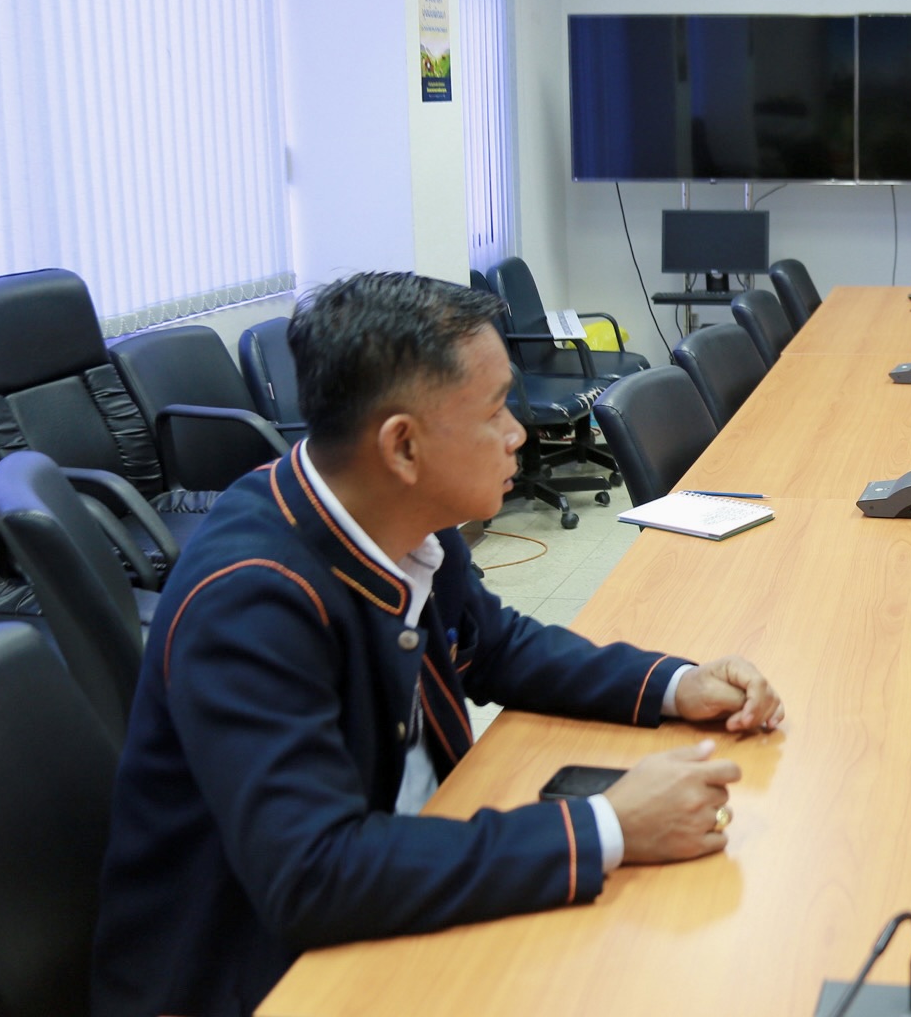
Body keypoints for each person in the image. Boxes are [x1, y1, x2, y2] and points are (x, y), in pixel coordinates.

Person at [93, 273, 785, 1017]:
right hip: (251, 978)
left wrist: (677, 685)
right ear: (403, 446)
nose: (519, 432)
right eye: (495, 412)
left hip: (387, 885)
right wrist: (609, 825)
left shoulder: (403, 519)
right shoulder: (251, 601)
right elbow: (314, 877)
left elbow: (495, 646)